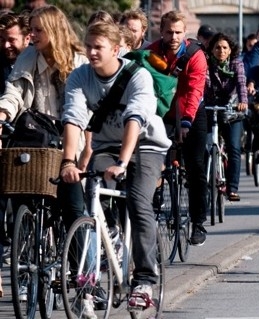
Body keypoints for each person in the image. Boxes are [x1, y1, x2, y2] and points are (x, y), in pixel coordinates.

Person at [60, 21, 171, 314]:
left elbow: (136, 117)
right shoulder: (80, 76)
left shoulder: (138, 76)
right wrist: (69, 160)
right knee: (90, 200)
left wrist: (123, 161)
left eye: (99, 47)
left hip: (146, 146)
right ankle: (104, 252)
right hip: (107, 146)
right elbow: (73, 118)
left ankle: (145, 279)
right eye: (88, 46)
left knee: (137, 200)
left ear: (116, 49)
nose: (92, 52)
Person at [0, 4, 89, 299]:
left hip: (67, 140)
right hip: (36, 141)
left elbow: (79, 108)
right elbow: (14, 90)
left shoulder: (77, 62)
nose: (33, 35)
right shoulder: (29, 56)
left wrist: (75, 147)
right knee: (22, 199)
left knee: (74, 210)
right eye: (32, 30)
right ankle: (27, 268)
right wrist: (2, 113)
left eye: (38, 30)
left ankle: (84, 282)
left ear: (54, 31)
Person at [146, 11, 209, 246]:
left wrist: (186, 122)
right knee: (153, 162)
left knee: (195, 166)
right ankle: (152, 209)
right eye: (169, 32)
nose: (173, 36)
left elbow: (195, 91)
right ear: (161, 32)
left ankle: (198, 222)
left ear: (185, 33)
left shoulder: (195, 55)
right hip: (162, 113)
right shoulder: (151, 52)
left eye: (178, 32)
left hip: (190, 112)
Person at [0, 10, 31, 298]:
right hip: (3, 141)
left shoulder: (32, 61)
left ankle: (25, 271)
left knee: (26, 208)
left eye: (12, 40)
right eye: (2, 40)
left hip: (31, 145)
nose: (7, 45)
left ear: (26, 37)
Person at [204, 32, 247, 201]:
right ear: (212, 50)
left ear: (230, 50)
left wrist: (243, 102)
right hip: (211, 107)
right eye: (217, 48)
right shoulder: (207, 64)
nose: (221, 51)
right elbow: (203, 84)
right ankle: (205, 182)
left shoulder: (236, 64)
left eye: (224, 48)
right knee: (204, 147)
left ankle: (232, 188)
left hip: (232, 110)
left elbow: (241, 83)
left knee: (234, 148)